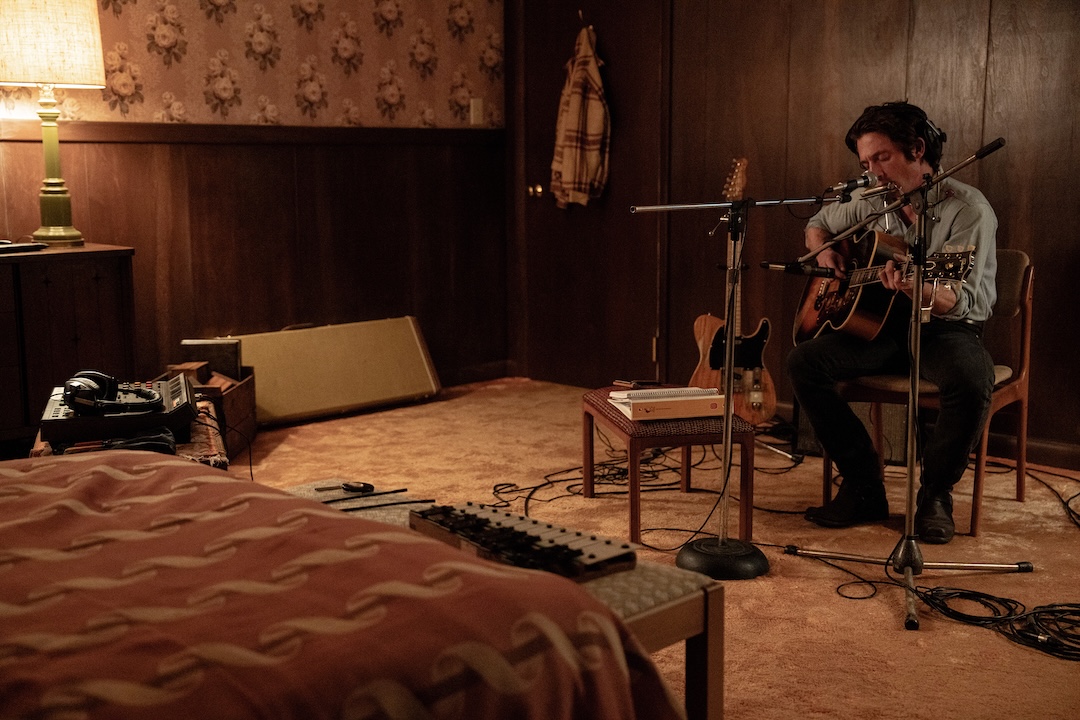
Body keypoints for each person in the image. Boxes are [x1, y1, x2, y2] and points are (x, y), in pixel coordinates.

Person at [787, 101, 998, 544]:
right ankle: (865, 486)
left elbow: (953, 299)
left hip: (944, 325)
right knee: (805, 362)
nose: (873, 173)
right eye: (865, 163)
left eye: (881, 158)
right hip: (883, 324)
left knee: (972, 378)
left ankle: (935, 495)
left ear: (918, 150)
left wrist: (914, 286)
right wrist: (826, 251)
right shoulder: (871, 198)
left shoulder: (967, 210)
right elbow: (818, 222)